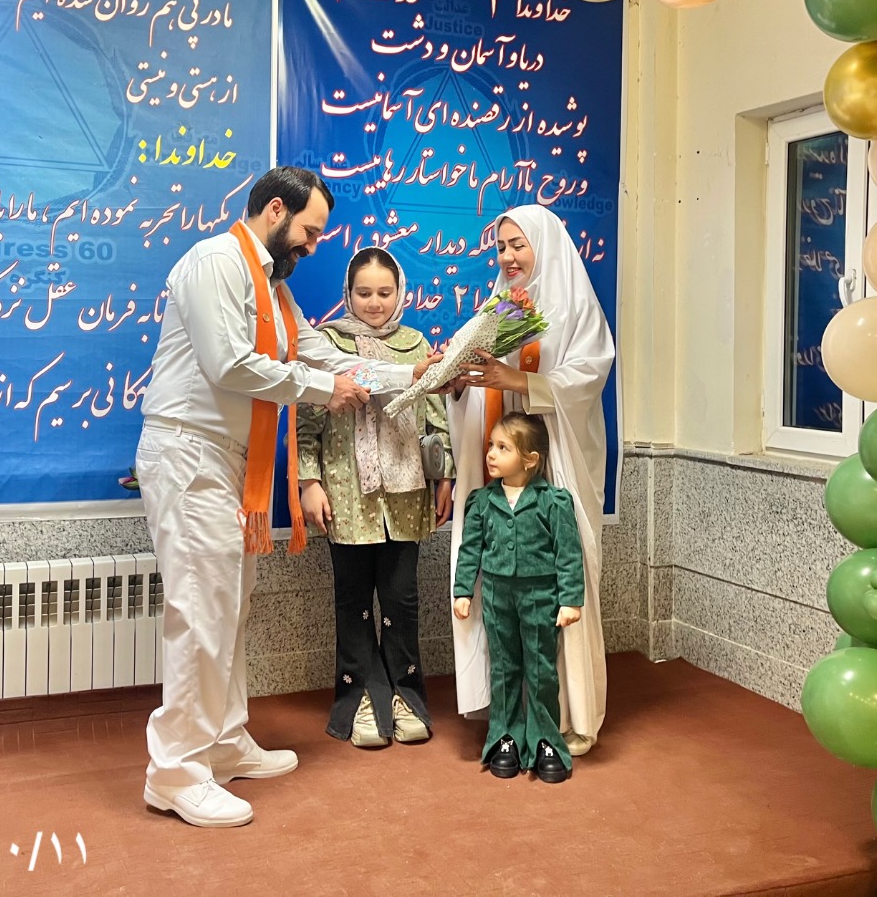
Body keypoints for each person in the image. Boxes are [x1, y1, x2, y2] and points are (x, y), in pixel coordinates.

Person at [135, 166, 434, 828]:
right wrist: (328, 392)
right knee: (200, 613)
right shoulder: (215, 262)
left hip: (227, 462)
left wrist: (407, 373)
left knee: (228, 608)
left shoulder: (271, 284)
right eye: (310, 230)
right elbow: (230, 364)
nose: (313, 245)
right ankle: (175, 772)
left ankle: (223, 743)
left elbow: (320, 352)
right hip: (189, 453)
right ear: (276, 210)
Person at [447, 203, 615, 756]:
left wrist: (517, 379)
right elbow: (478, 386)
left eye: (518, 244)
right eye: (501, 247)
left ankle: (572, 716)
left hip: (557, 462)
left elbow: (587, 377)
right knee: (501, 595)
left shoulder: (574, 305)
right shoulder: (498, 309)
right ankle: (510, 715)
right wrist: (457, 383)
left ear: (545, 244)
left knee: (564, 580)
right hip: (503, 477)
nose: (508, 256)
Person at [296, 247, 454, 749]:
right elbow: (307, 418)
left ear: (400, 292)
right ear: (348, 293)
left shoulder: (415, 344)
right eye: (363, 292)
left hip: (405, 497)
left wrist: (444, 476)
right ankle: (362, 698)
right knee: (354, 602)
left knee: (402, 601)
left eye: (384, 292)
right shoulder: (327, 343)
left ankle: (406, 697)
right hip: (346, 495)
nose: (374, 302)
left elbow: (435, 417)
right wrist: (309, 483)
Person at [453, 412, 583, 783]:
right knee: (504, 667)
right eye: (491, 445)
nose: (491, 454)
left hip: (541, 597)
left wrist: (570, 599)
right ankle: (505, 736)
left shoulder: (553, 501)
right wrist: (463, 591)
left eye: (503, 447)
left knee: (541, 669)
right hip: (497, 597)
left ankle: (545, 740)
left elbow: (568, 553)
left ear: (530, 459)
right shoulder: (482, 501)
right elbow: (470, 550)